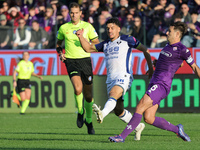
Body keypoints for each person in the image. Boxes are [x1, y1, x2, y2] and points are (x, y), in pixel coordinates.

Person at [108, 21, 200, 143]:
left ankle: (121, 136)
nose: (166, 33)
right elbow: (176, 62)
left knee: (140, 105)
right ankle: (178, 129)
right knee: (149, 118)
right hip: (155, 82)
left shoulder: (183, 49)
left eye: (170, 31)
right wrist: (157, 64)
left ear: (177, 34)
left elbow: (193, 66)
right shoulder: (167, 45)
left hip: (162, 85)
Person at [75, 17, 153, 140]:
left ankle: (102, 113)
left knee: (113, 94)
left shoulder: (127, 39)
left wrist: (151, 68)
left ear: (118, 29)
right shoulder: (105, 44)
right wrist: (80, 37)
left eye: (112, 28)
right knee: (118, 110)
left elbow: (145, 49)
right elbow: (88, 48)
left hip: (124, 76)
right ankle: (138, 127)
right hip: (110, 79)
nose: (109, 30)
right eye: (107, 28)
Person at [56, 2, 99, 135]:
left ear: (81, 13)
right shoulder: (64, 28)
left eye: (76, 12)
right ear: (69, 13)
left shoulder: (87, 26)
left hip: (85, 61)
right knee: (77, 88)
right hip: (71, 61)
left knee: (88, 95)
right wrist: (60, 54)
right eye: (72, 12)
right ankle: (80, 111)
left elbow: (96, 43)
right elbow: (58, 44)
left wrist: (84, 42)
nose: (74, 15)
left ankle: (89, 121)